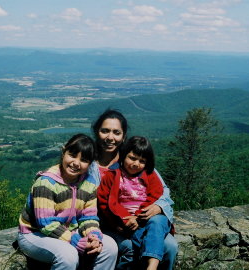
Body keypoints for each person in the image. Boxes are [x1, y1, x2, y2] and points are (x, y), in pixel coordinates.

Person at [87, 109, 178, 270]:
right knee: (130, 246)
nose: (110, 137)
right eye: (105, 131)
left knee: (170, 246)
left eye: (116, 132)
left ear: (123, 136)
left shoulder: (136, 161)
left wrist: (158, 207)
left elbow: (163, 192)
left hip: (140, 222)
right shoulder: (88, 164)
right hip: (109, 225)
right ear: (96, 131)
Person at [17, 134, 118, 270]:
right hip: (34, 234)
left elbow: (88, 217)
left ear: (90, 163)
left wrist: (94, 236)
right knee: (68, 255)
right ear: (64, 152)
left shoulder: (88, 184)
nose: (76, 163)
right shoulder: (46, 182)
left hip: (68, 231)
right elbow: (46, 224)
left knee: (110, 246)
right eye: (72, 155)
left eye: (84, 159)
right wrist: (76, 241)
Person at [98, 136, 172, 270]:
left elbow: (156, 195)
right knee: (138, 242)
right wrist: (122, 221)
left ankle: (152, 266)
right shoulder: (113, 175)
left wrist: (138, 216)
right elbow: (104, 202)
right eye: (132, 158)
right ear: (123, 155)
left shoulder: (150, 175)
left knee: (158, 222)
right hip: (126, 223)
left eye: (142, 161)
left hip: (146, 218)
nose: (136, 164)